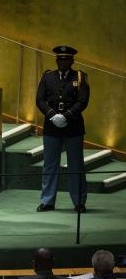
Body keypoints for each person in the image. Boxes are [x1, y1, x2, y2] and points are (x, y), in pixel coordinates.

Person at [35, 46, 89, 213]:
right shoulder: (47, 76)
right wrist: (52, 115)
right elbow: (40, 99)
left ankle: (79, 201)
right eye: (60, 59)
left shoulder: (80, 77)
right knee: (50, 165)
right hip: (52, 127)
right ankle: (47, 201)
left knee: (76, 165)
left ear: (72, 61)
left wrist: (65, 116)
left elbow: (82, 101)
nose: (63, 62)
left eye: (66, 59)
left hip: (73, 126)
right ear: (56, 60)